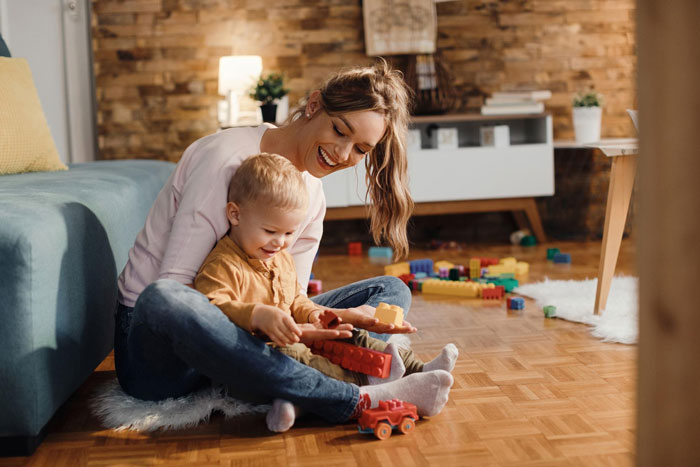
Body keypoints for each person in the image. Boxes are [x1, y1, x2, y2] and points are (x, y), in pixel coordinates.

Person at [114, 59, 454, 433]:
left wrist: (327, 321)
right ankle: (351, 398)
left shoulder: (311, 193)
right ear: (313, 106)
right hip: (165, 347)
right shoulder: (225, 160)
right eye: (340, 130)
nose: (342, 154)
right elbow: (183, 290)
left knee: (389, 291)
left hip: (251, 335)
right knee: (165, 296)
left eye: (360, 149)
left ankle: (289, 388)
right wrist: (268, 324)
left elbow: (290, 300)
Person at [193, 153, 459, 390]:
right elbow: (209, 311)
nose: (280, 242)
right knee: (296, 356)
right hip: (262, 352)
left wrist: (320, 316)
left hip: (300, 334)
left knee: (349, 335)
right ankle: (363, 383)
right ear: (235, 215)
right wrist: (256, 315)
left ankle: (418, 369)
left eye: (288, 233)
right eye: (270, 231)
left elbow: (295, 300)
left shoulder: (280, 257)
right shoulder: (222, 265)